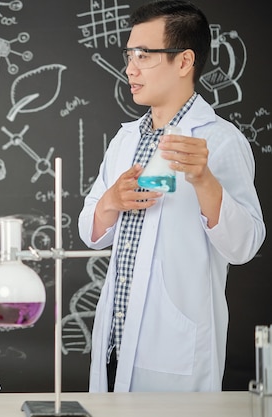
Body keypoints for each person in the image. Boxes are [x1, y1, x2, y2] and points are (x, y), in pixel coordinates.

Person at [78, 0, 265, 392]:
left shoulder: (219, 140)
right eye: (129, 55)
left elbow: (244, 244)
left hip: (174, 348)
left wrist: (203, 180)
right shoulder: (125, 139)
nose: (130, 68)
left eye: (144, 55)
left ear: (184, 62)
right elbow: (90, 231)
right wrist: (111, 200)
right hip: (116, 337)